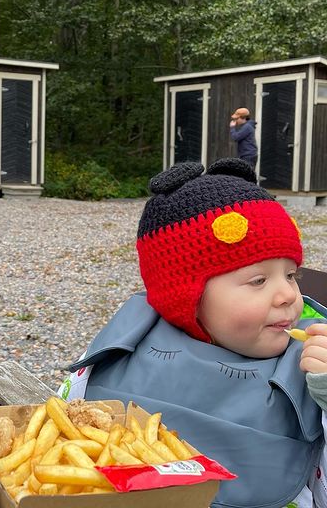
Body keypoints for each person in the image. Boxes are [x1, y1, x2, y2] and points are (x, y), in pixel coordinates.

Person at [59, 158, 327, 508]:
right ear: (187, 296)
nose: (289, 295)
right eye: (259, 280)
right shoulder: (125, 349)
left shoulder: (314, 365)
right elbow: (68, 423)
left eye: (290, 275)